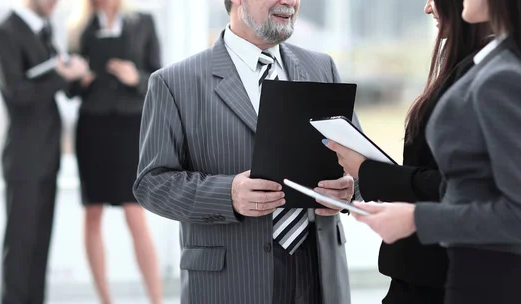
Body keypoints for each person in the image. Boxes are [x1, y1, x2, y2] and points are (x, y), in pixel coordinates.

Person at [338, 0, 521, 303]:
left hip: (494, 283)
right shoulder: (516, 62)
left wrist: (416, 218)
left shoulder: (506, 76)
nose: (428, 7)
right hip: (484, 277)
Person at [133, 0, 359, 303]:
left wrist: (351, 189)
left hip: (318, 276)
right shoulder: (174, 82)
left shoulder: (322, 67)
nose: (290, 1)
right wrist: (227, 194)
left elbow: (360, 163)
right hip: (231, 280)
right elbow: (152, 184)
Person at [320, 0, 489, 303]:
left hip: (442, 277)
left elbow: (460, 185)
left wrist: (369, 171)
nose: (427, 8)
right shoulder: (470, 66)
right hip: (424, 274)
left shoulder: (488, 75)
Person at [0, 0, 90, 303]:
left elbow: (56, 85)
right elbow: (18, 95)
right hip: (24, 157)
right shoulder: (3, 33)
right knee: (21, 244)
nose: (55, 3)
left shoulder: (44, 32)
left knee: (39, 244)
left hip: (47, 154)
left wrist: (75, 76)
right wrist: (63, 76)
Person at [65, 0, 162, 303]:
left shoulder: (143, 21)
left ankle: (157, 299)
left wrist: (135, 78)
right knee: (92, 212)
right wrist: (80, 79)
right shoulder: (79, 27)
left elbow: (158, 79)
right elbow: (69, 90)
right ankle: (105, 299)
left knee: (135, 212)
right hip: (92, 127)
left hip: (129, 128)